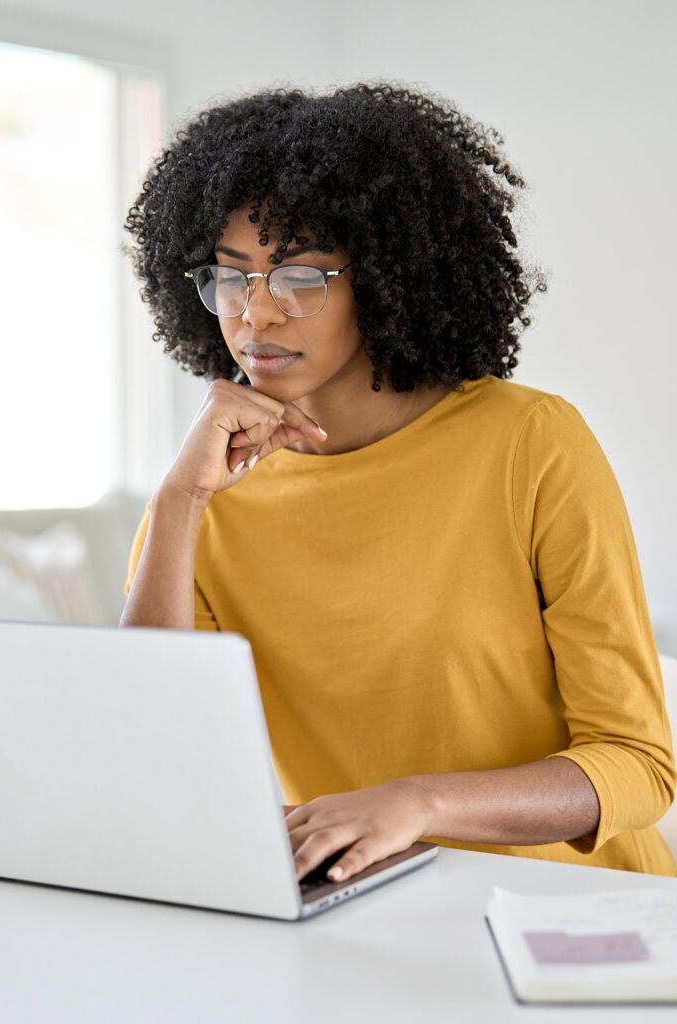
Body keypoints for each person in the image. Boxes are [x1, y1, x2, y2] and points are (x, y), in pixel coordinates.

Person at [118, 81, 676, 885]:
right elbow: (155, 755)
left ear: (385, 277)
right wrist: (179, 503)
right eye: (232, 278)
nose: (256, 316)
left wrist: (417, 803)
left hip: (578, 914)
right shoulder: (208, 491)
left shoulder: (530, 444)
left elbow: (637, 767)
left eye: (300, 277)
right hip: (361, 912)